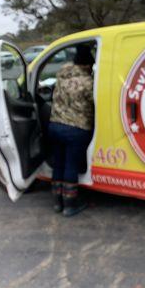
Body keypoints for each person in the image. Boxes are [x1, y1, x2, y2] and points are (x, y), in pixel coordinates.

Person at [48, 45, 95, 216]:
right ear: (88, 65)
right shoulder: (88, 83)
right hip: (76, 129)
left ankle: (57, 203)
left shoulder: (61, 75)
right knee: (71, 166)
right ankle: (70, 205)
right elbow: (95, 103)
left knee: (58, 164)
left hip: (54, 126)